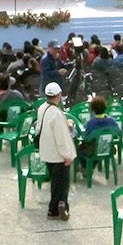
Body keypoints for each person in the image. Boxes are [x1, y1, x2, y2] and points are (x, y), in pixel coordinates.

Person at [34, 82, 76, 221]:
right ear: (59, 95)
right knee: (62, 184)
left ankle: (56, 207)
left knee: (55, 181)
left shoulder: (42, 108)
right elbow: (61, 139)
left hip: (47, 151)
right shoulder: (56, 113)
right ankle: (58, 207)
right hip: (58, 154)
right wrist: (67, 155)